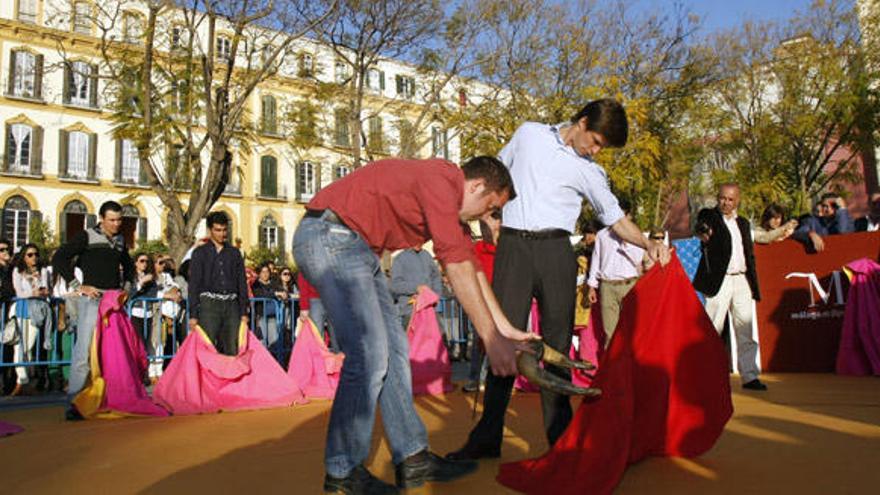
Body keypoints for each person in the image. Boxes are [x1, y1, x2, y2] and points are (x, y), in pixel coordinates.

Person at [293, 156, 533, 494]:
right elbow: (455, 267)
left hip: (356, 248)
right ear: (477, 186)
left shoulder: (449, 204)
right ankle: (343, 473)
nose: (484, 218)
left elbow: (472, 267)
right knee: (368, 355)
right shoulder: (441, 180)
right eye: (489, 207)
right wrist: (490, 338)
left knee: (392, 352)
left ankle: (412, 457)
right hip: (330, 236)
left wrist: (504, 328)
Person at [449, 99, 670, 463]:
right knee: (504, 341)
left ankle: (561, 437)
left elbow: (614, 219)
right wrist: (488, 218)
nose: (596, 150)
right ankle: (487, 436)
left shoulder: (591, 172)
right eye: (596, 141)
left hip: (557, 253)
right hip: (514, 248)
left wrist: (648, 242)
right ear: (582, 122)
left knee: (556, 347)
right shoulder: (529, 134)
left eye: (602, 147)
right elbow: (495, 177)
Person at [52, 201, 135, 420]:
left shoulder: (120, 241)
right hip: (92, 300)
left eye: (119, 220)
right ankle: (74, 403)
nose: (117, 224)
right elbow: (59, 257)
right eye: (112, 220)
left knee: (113, 352)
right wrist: (76, 286)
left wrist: (126, 289)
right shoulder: (86, 236)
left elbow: (129, 267)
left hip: (113, 302)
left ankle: (108, 398)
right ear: (101, 218)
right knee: (83, 351)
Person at [693, 183, 766, 391]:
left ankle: (750, 375)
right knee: (712, 328)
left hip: (742, 279)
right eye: (723, 198)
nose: (726, 202)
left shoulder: (743, 223)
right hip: (720, 280)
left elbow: (749, 252)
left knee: (745, 327)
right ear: (718, 198)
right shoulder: (710, 216)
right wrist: (703, 232)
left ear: (737, 201)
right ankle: (706, 374)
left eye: (730, 199)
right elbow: (700, 225)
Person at [586, 201, 649, 348]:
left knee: (632, 329)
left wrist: (626, 243)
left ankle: (633, 366)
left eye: (623, 214)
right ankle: (613, 367)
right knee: (610, 332)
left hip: (629, 285)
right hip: (607, 286)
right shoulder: (602, 235)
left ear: (628, 216)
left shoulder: (635, 235)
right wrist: (591, 286)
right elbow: (596, 260)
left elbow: (638, 260)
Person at [188, 212, 249, 356]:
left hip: (231, 305)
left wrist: (244, 312)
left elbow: (242, 283)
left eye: (224, 230)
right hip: (209, 304)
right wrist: (193, 314)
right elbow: (194, 285)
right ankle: (207, 379)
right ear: (210, 230)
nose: (222, 234)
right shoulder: (199, 253)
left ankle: (232, 378)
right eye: (218, 230)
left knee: (233, 347)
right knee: (207, 346)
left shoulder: (234, 253)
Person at [463, 212, 502, 393]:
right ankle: (474, 378)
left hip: (501, 300)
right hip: (480, 301)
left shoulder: (506, 249)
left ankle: (495, 379)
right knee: (480, 342)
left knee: (500, 341)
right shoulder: (477, 248)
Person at [10, 243, 53, 396]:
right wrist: (33, 292)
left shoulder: (44, 271)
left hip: (37, 311)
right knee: (19, 347)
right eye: (29, 255)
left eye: (36, 254)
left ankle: (24, 381)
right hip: (22, 310)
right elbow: (19, 292)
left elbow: (48, 290)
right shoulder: (18, 271)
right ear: (24, 256)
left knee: (28, 347)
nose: (34, 257)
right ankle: (22, 381)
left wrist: (42, 290)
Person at [390, 246, 444, 330]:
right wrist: (415, 288)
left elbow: (436, 277)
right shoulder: (399, 259)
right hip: (410, 311)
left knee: (440, 339)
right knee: (414, 342)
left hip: (430, 309)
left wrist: (436, 295)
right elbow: (395, 285)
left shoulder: (427, 255)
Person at [297, 272, 338, 352]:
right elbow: (303, 277)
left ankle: (340, 362)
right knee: (317, 337)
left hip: (334, 299)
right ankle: (318, 362)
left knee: (338, 338)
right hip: (315, 300)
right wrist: (304, 306)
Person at [251, 262, 285, 358]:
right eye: (263, 272)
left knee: (274, 342)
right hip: (261, 317)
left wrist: (284, 293)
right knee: (263, 343)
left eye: (267, 272)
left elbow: (282, 290)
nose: (265, 274)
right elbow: (259, 295)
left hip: (274, 317)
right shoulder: (256, 285)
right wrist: (275, 294)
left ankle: (275, 365)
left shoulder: (274, 283)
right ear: (259, 273)